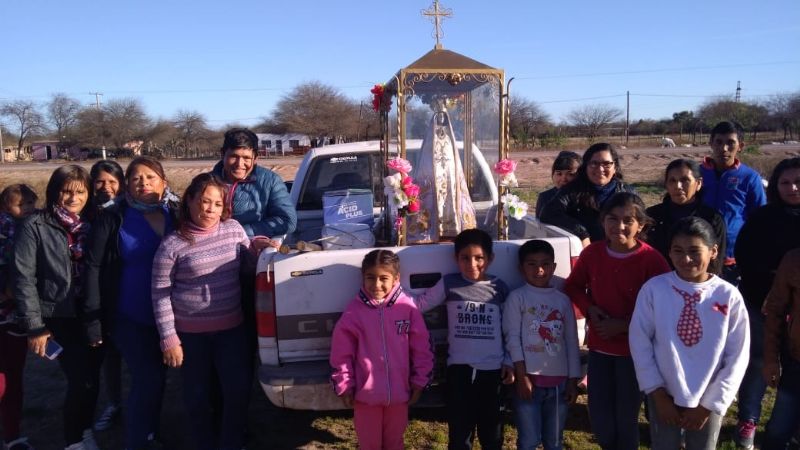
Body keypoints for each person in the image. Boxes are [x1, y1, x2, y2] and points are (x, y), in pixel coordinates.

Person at [151, 173, 255, 450]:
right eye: (204, 201)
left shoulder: (234, 230)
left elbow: (247, 268)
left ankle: (231, 443)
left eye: (217, 204)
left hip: (232, 330)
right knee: (197, 399)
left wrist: (261, 250)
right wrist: (169, 339)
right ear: (190, 201)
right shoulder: (172, 244)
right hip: (191, 336)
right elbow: (160, 294)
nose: (210, 209)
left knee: (237, 392)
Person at [83, 156, 179, 449]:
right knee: (146, 377)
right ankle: (137, 440)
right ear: (127, 184)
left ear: (163, 182)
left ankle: (150, 432)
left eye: (151, 177)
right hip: (129, 314)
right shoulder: (113, 218)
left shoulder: (176, 213)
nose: (144, 183)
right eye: (137, 178)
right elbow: (94, 267)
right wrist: (93, 318)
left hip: (168, 315)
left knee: (159, 377)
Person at [630, 216, 750, 450]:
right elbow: (640, 341)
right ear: (670, 252)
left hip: (708, 397)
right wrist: (657, 393)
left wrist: (709, 404)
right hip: (664, 394)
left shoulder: (728, 295)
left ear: (713, 251)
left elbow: (738, 354)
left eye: (695, 251)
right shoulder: (655, 289)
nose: (686, 259)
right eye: (678, 250)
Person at [563, 192, 671, 450]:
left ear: (641, 225)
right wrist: (590, 309)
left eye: (628, 220)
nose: (619, 226)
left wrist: (623, 325)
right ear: (602, 221)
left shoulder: (651, 260)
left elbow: (665, 307)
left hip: (636, 354)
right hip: (600, 350)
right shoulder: (593, 254)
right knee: (600, 416)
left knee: (626, 418)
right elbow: (574, 286)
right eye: (612, 218)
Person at [13, 165, 103, 450]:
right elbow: (23, 277)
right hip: (58, 314)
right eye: (66, 191)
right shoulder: (35, 225)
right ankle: (74, 441)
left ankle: (86, 429)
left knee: (91, 377)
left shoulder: (93, 222)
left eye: (80, 192)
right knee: (79, 379)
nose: (73, 198)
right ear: (54, 192)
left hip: (90, 313)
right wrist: (35, 327)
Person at [412, 228, 513, 450]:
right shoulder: (449, 283)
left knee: (492, 434)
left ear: (490, 258)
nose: (472, 264)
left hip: (493, 372)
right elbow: (419, 305)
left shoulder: (500, 288)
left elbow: (510, 330)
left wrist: (509, 361)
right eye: (465, 258)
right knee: (459, 435)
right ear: (455, 259)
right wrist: (390, 296)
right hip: (459, 371)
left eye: (479, 258)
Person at [329, 249, 433, 450]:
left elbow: (422, 348)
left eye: (383, 278)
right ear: (363, 277)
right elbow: (341, 354)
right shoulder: (354, 312)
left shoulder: (408, 309)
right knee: (370, 445)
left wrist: (420, 382)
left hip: (400, 396)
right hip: (365, 398)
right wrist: (344, 385)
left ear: (396, 278)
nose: (376, 284)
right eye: (370, 277)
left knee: (395, 443)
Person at [210, 127, 296, 359]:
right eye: (234, 156)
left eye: (247, 158)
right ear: (222, 154)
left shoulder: (269, 181)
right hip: (213, 269)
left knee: (248, 327)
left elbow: (287, 221)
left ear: (255, 158)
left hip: (250, 268)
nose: (240, 163)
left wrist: (240, 232)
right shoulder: (208, 182)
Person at [734, 156, 800, 448]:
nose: (793, 188)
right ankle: (748, 420)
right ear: (775, 186)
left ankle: (788, 427)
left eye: (798, 182)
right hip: (762, 305)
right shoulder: (762, 218)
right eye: (785, 183)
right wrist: (769, 293)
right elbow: (746, 258)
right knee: (760, 364)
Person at [503, 239, 581, 450]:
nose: (539, 270)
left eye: (546, 264)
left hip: (559, 385)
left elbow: (572, 342)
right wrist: (522, 376)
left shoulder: (563, 300)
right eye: (532, 264)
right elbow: (513, 339)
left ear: (554, 267)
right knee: (528, 440)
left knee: (554, 441)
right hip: (528, 383)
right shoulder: (517, 298)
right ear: (521, 268)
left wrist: (572, 380)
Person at [699, 120, 766, 285]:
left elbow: (760, 217)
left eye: (730, 143)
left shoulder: (750, 177)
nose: (724, 148)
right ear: (711, 143)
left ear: (740, 146)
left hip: (733, 257)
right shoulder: (696, 173)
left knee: (727, 303)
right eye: (719, 142)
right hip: (699, 251)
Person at [87, 159, 125, 433]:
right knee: (107, 357)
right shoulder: (84, 213)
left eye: (112, 182)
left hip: (122, 291)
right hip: (93, 295)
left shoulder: (125, 212)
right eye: (100, 181)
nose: (106, 187)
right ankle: (114, 404)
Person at [0, 184, 37, 450]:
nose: (26, 209)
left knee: (12, 377)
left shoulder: (31, 226)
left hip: (15, 315)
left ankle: (12, 434)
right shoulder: (6, 229)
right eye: (19, 205)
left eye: (29, 204)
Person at [540, 143, 636, 247]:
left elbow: (640, 223)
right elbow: (548, 213)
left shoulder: (627, 192)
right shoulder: (573, 190)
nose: (600, 169)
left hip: (621, 252)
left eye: (606, 164)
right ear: (586, 166)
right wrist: (581, 232)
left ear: (615, 167)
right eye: (594, 163)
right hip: (587, 253)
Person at [646, 159, 726, 274]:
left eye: (685, 180)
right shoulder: (652, 216)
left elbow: (716, 263)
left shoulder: (712, 219)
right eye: (672, 181)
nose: (678, 186)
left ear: (698, 183)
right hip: (658, 283)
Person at [762, 248, 800, 449]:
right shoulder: (794, 259)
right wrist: (770, 359)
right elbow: (775, 310)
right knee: (779, 430)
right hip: (796, 362)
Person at [534, 151, 581, 218]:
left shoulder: (588, 198)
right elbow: (540, 227)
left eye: (570, 174)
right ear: (553, 174)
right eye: (559, 174)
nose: (563, 179)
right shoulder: (545, 198)